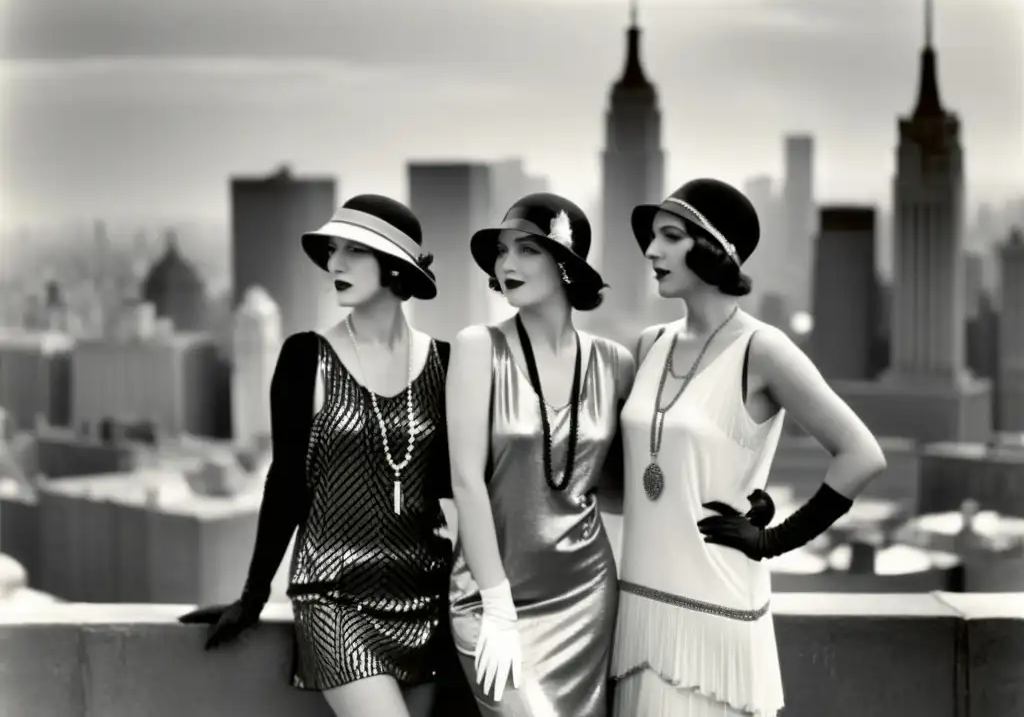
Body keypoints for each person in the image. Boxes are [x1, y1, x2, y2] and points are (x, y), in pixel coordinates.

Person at [611, 178, 888, 717]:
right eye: (653, 238)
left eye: (670, 236)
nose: (651, 250)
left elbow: (862, 454)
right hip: (638, 612)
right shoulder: (650, 344)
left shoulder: (763, 349)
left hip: (714, 617)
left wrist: (773, 539)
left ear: (715, 249)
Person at [179, 195, 460, 717]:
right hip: (334, 596)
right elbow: (285, 482)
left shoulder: (445, 362)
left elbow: (456, 487)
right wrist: (252, 596)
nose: (335, 265)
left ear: (395, 264)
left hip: (425, 597)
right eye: (334, 251)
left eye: (354, 251)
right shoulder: (305, 356)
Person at [446, 193, 636, 716]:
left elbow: (624, 487)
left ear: (565, 265)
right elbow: (465, 480)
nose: (507, 264)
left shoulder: (615, 362)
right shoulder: (476, 346)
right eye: (502, 251)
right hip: (490, 596)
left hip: (585, 593)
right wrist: (497, 605)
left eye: (527, 250)